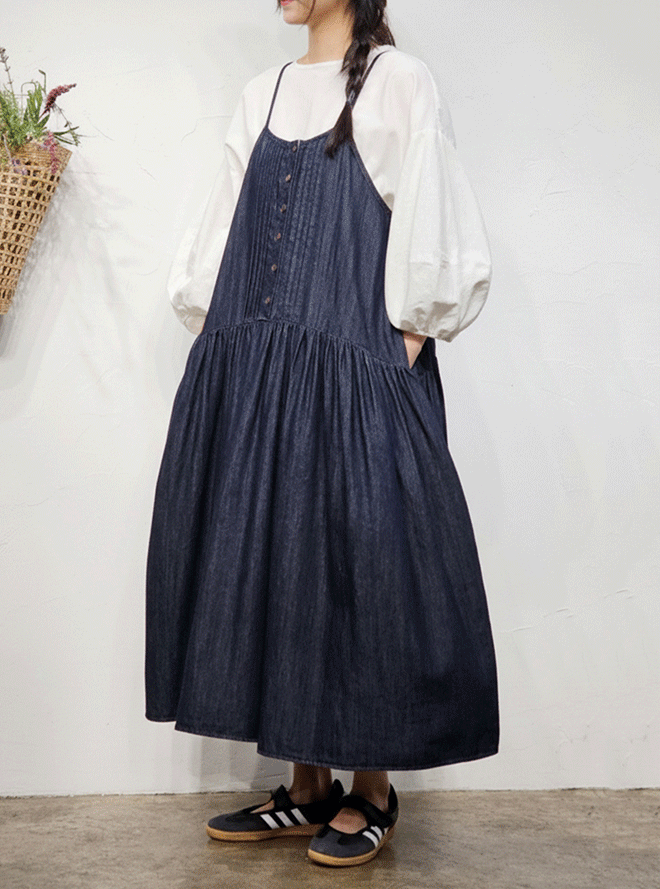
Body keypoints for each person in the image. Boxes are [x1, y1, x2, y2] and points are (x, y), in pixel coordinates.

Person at [145, 0, 499, 868]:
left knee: (362, 566)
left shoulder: (398, 81)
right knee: (273, 562)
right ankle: (306, 788)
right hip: (255, 367)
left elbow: (431, 211)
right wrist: (223, 342)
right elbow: (221, 227)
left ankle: (372, 789)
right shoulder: (260, 91)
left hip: (351, 366)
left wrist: (399, 340)